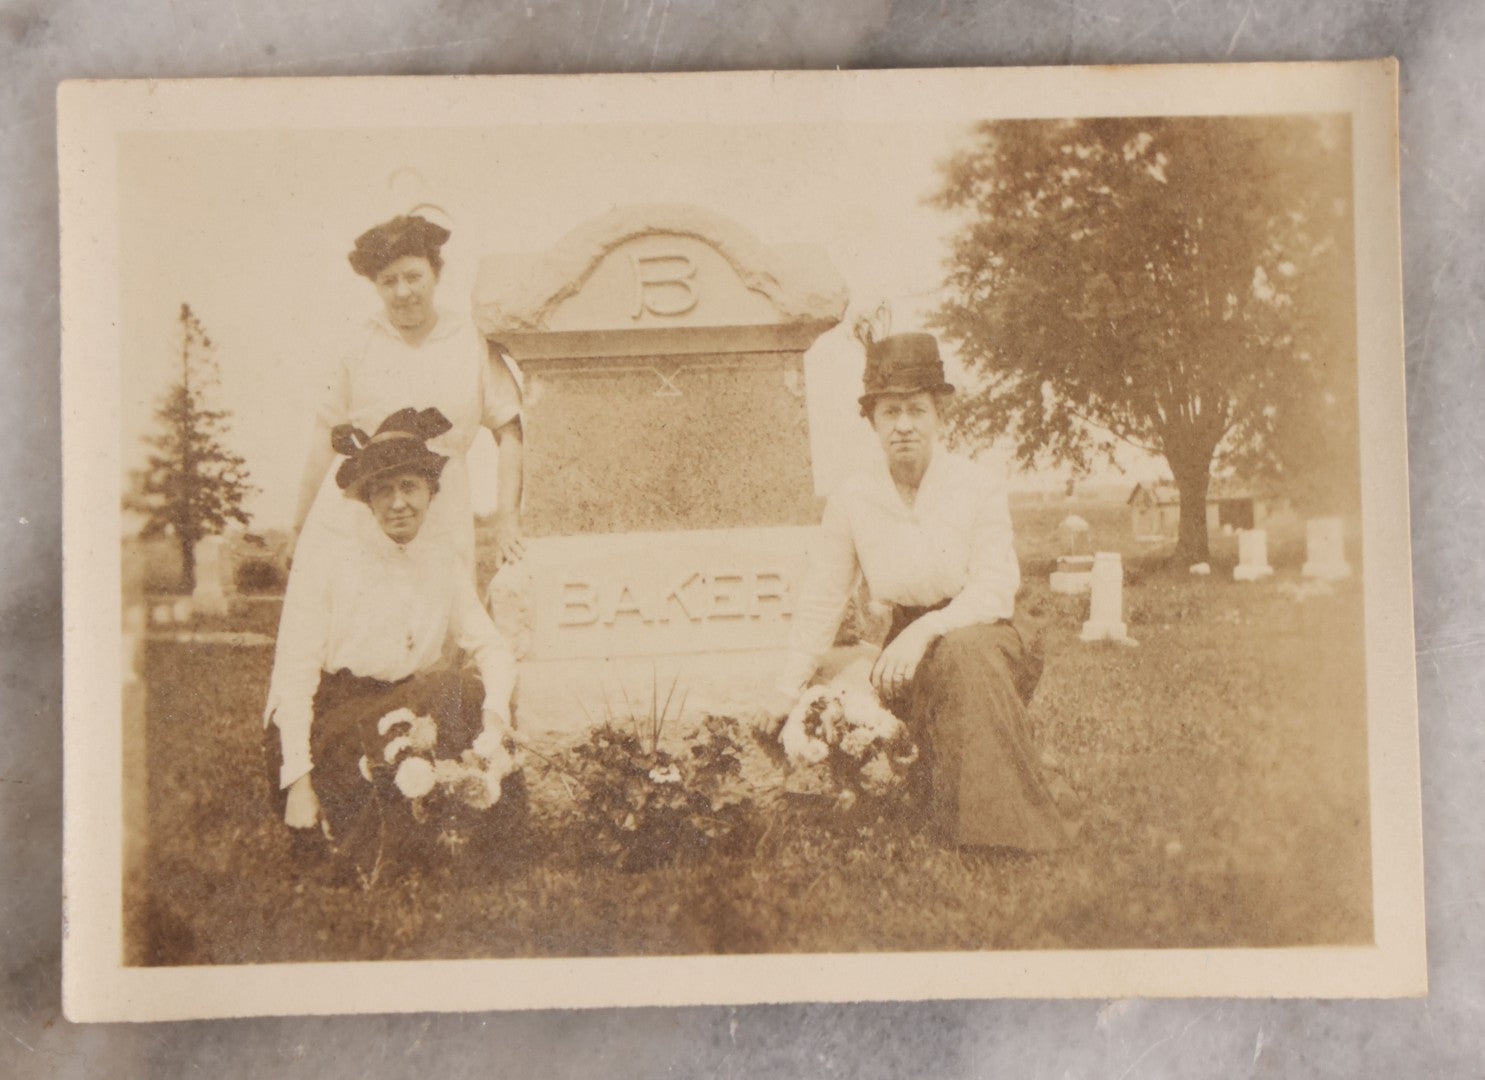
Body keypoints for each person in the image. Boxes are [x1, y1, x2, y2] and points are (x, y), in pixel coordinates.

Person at [765, 330, 1073, 852]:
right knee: (926, 749)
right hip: (903, 651)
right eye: (890, 413)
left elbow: (997, 587)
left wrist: (928, 629)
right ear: (872, 421)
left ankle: (1003, 837)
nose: (904, 426)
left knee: (964, 654)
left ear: (940, 416)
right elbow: (823, 595)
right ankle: (993, 784)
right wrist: (786, 689)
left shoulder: (977, 485)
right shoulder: (853, 498)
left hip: (989, 634)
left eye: (917, 410)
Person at [264, 406, 521, 866]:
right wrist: (298, 783)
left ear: (430, 491)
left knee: (464, 691)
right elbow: (293, 679)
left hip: (408, 704)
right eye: (383, 491)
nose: (398, 503)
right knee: (365, 835)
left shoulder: (441, 561)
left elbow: (492, 648)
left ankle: (453, 824)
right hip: (338, 715)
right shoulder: (329, 565)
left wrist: (495, 718)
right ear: (366, 499)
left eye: (410, 487)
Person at [291, 213, 526, 576]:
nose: (403, 292)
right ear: (376, 285)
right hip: (364, 514)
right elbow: (325, 438)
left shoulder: (469, 341)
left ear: (436, 274)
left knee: (443, 618)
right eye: (388, 281)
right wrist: (298, 528)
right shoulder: (357, 345)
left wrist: (507, 517)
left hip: (445, 509)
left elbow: (510, 429)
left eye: (414, 276)